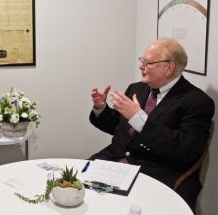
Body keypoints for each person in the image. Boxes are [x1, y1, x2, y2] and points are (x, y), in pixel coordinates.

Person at [89, 38, 215, 209]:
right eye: (142, 61)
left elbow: (185, 150)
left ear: (169, 68)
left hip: (154, 171)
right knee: (76, 194)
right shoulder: (137, 88)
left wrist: (139, 119)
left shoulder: (197, 101)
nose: (141, 67)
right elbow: (118, 128)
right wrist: (101, 109)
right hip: (114, 162)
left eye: (148, 63)